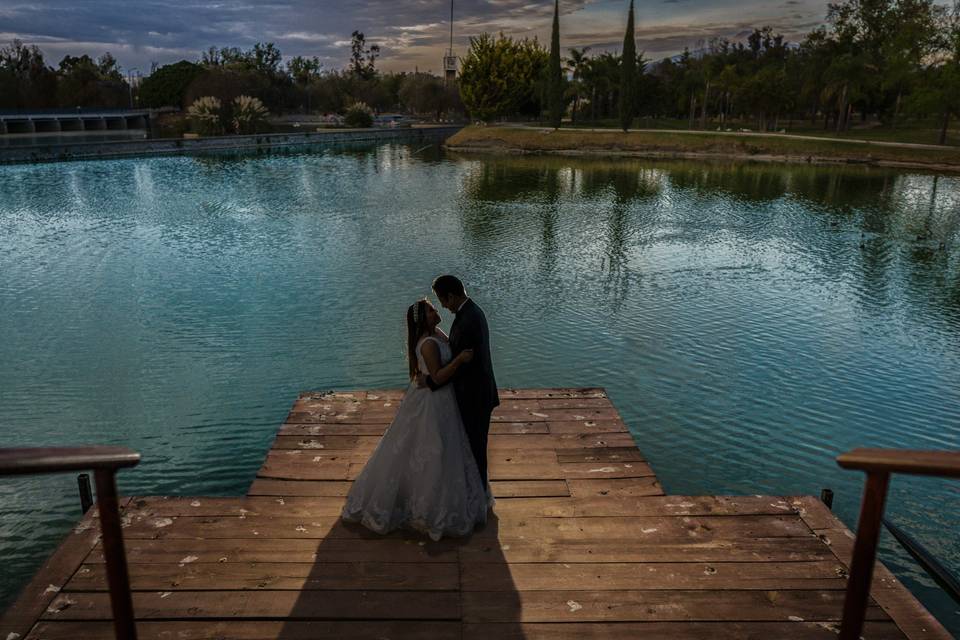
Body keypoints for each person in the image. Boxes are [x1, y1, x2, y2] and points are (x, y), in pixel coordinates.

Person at [341, 299, 488, 541]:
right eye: (431, 310)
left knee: (446, 448)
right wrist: (460, 360)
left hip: (445, 401)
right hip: (432, 401)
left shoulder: (437, 333)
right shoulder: (428, 344)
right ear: (423, 319)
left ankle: (447, 500)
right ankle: (423, 507)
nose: (436, 311)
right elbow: (438, 377)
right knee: (430, 448)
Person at [422, 275, 499, 499]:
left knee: (475, 449)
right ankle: (476, 495)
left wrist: (429, 381)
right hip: (477, 394)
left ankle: (478, 499)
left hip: (474, 397)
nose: (443, 306)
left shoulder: (467, 321)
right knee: (473, 447)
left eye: (443, 300)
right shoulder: (471, 313)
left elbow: (460, 367)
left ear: (452, 296)